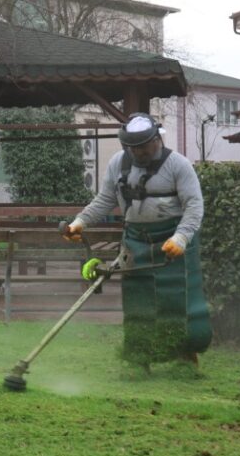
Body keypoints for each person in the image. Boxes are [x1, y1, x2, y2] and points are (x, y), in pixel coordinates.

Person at [62, 112, 211, 371]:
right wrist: (80, 222)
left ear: (157, 139)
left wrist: (182, 237)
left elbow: (194, 206)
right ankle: (138, 358)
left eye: (143, 146)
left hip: (172, 242)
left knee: (175, 299)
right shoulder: (119, 164)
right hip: (136, 241)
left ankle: (184, 358)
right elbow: (105, 200)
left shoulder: (178, 165)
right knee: (138, 300)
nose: (138, 151)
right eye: (132, 147)